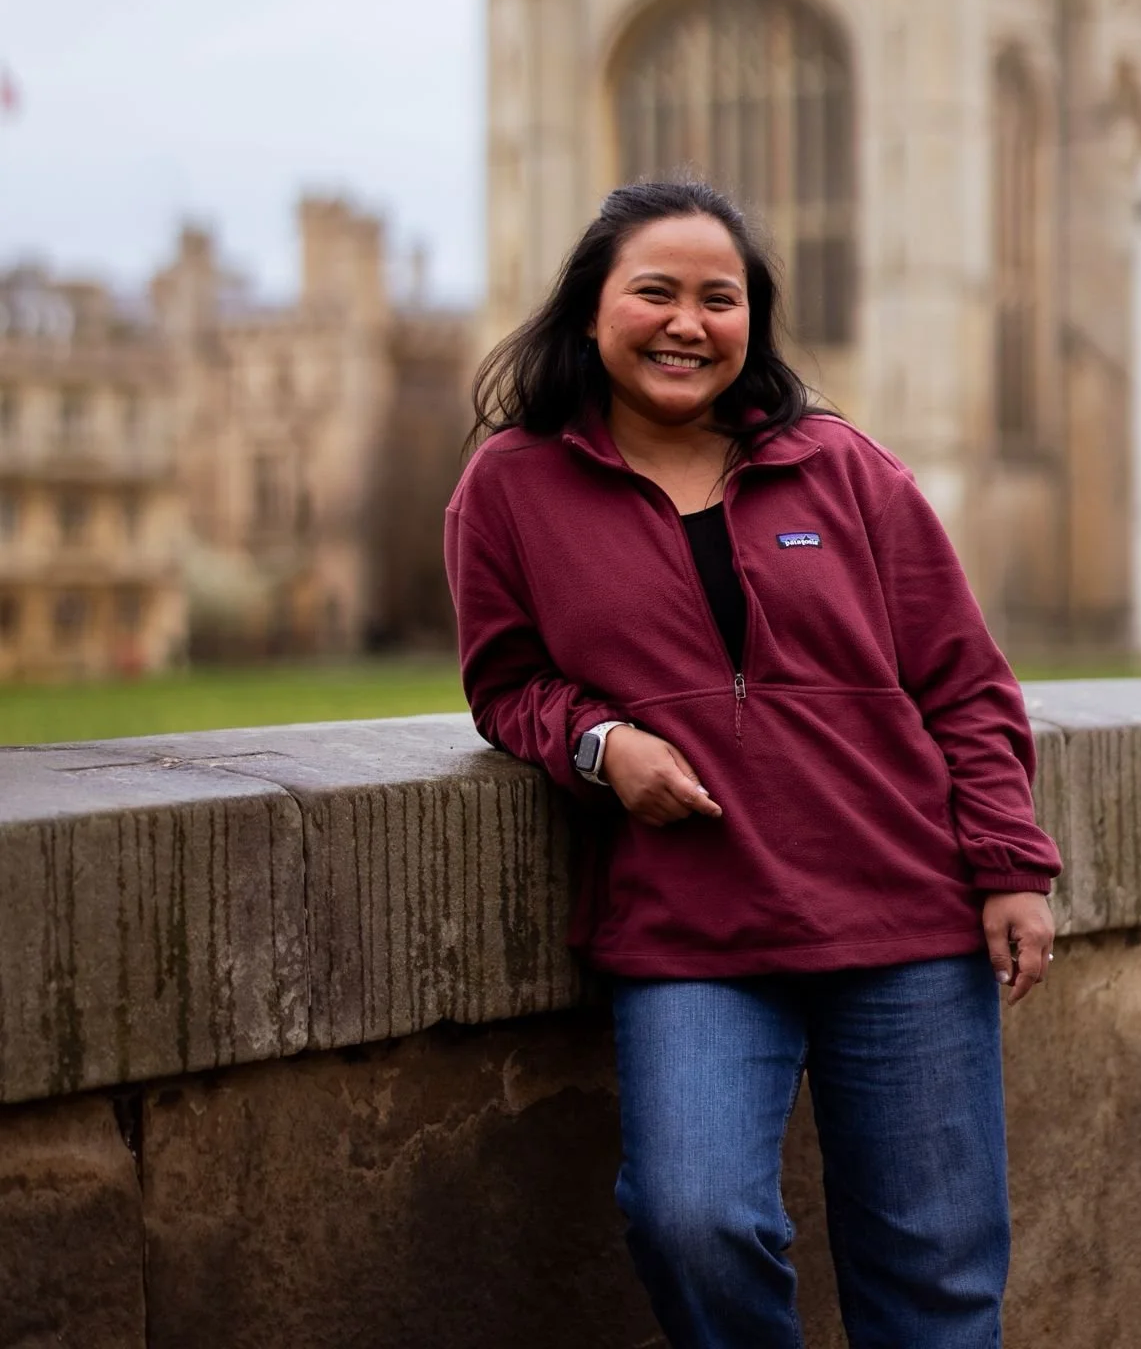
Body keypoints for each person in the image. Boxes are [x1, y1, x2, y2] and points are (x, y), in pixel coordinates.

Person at [446, 177, 1061, 1349]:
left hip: (904, 916)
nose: (688, 322)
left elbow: (963, 680)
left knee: (935, 1278)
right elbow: (506, 683)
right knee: (692, 1219)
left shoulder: (843, 466)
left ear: (751, 321)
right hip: (691, 927)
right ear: (591, 309)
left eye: (718, 298)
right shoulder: (511, 486)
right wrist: (602, 743)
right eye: (656, 292)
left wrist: (1009, 862)